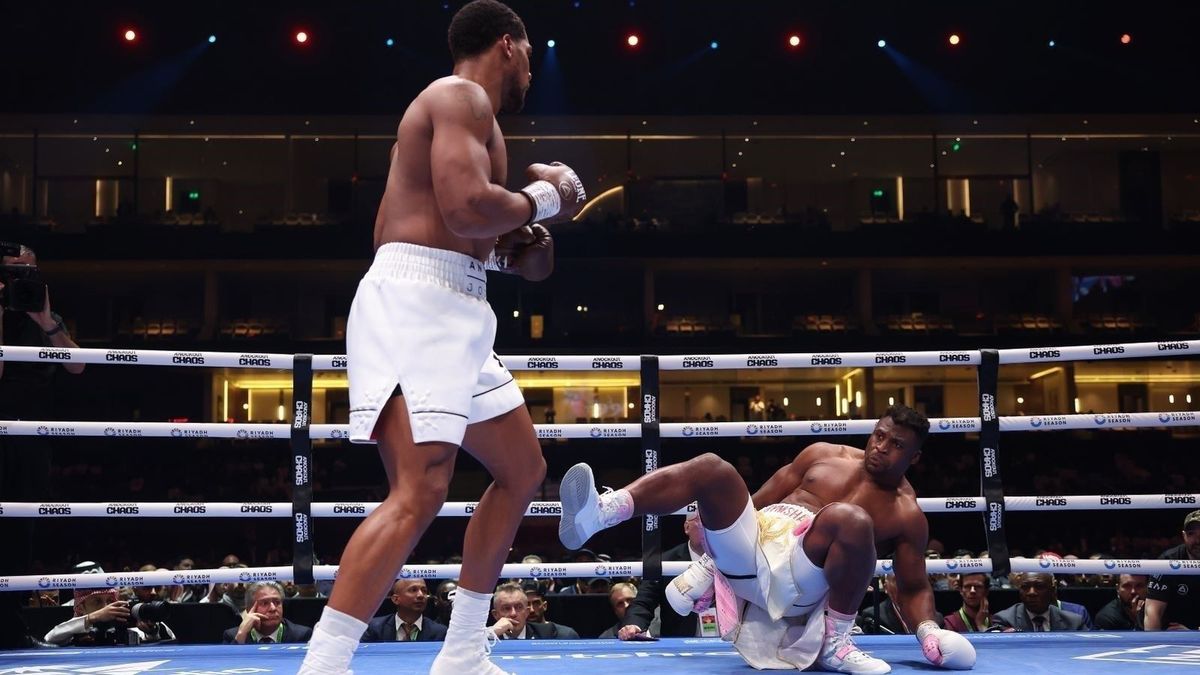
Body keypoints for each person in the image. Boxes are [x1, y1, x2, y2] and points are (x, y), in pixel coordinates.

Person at [298, 2, 586, 672]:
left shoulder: (481, 129)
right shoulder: (457, 97)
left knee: (522, 470)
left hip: (459, 302)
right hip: (416, 299)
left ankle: (460, 648)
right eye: (530, 55)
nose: (532, 75)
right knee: (422, 487)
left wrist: (539, 233)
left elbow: (511, 253)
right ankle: (326, 661)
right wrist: (546, 199)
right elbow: (464, 207)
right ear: (509, 46)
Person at [558, 405, 975, 673]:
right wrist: (715, 527)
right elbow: (757, 502)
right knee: (711, 467)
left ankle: (836, 644)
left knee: (848, 519)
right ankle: (602, 513)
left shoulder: (906, 514)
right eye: (879, 435)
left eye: (896, 444)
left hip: (798, 583)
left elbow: (914, 585)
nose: (881, 447)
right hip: (751, 553)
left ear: (914, 457)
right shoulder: (822, 454)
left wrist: (926, 631)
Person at [617, 515, 709, 640]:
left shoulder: (733, 558)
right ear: (687, 527)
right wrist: (634, 625)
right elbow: (644, 601)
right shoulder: (666, 562)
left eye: (712, 520)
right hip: (680, 647)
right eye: (701, 521)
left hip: (729, 644)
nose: (708, 526)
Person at [1145, 509, 1200, 630]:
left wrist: (1193, 633)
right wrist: (1155, 644)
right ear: (1183, 535)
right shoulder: (1167, 562)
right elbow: (1153, 611)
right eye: (1191, 534)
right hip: (1172, 633)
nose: (1198, 540)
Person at [991, 572, 1085, 632]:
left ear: (1053, 591)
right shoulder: (1004, 620)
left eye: (1039, 586)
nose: (1031, 593)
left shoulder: (1074, 622)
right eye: (1025, 587)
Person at [222, 581, 312, 644]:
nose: (273, 608)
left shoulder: (301, 635)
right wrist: (241, 636)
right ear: (249, 609)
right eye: (265, 603)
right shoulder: (233, 635)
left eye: (277, 602)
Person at [364, 579, 447, 642]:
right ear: (395, 599)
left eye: (424, 591)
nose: (421, 595)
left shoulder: (439, 632)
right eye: (413, 590)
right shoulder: (374, 628)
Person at [490, 582, 579, 639]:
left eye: (519, 607)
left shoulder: (551, 634)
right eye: (506, 608)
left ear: (527, 612)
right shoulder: (484, 637)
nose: (513, 614)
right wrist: (491, 635)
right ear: (495, 614)